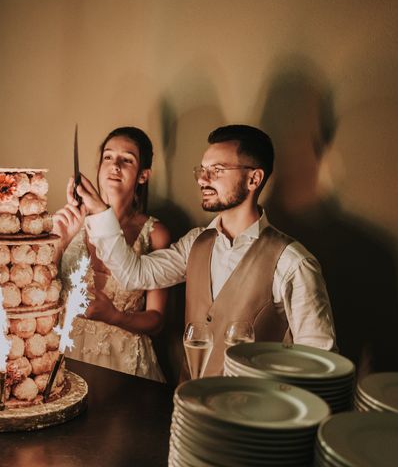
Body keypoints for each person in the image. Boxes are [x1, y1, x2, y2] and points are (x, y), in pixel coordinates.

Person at [66, 124, 337, 378]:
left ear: (254, 178)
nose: (203, 180)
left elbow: (318, 363)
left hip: (254, 417)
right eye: (202, 170)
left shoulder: (292, 262)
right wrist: (100, 212)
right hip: (190, 405)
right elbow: (132, 274)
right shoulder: (196, 243)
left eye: (217, 170)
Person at [53, 126, 170, 382]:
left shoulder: (154, 233)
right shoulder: (70, 221)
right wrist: (58, 243)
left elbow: (156, 320)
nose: (114, 165)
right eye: (108, 157)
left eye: (126, 160)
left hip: (124, 363)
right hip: (63, 353)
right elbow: (38, 288)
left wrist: (115, 316)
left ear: (143, 175)